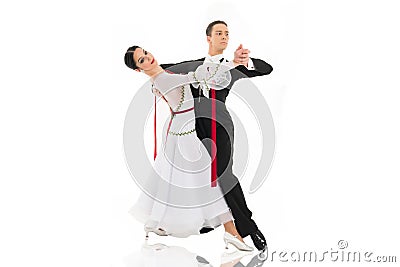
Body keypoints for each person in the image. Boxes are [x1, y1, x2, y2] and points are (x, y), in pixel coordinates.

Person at [124, 45, 253, 251]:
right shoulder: (165, 79)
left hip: (180, 128)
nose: (148, 58)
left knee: (180, 180)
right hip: (184, 134)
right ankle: (231, 232)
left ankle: (161, 222)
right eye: (142, 61)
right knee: (207, 180)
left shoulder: (159, 78)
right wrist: (234, 63)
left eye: (146, 53)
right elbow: (201, 75)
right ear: (138, 70)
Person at [160, 20, 273, 251]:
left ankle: (248, 227)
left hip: (220, 126)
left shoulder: (232, 67)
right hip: (194, 127)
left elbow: (265, 68)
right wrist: (146, 67)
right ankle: (209, 221)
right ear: (208, 38)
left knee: (224, 175)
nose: (224, 37)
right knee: (199, 176)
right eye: (219, 33)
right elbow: (163, 69)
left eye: (227, 34)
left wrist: (246, 61)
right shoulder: (193, 66)